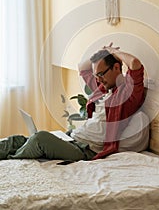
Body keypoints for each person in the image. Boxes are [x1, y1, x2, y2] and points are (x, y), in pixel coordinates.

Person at [0, 43, 148, 161]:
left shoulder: (127, 94)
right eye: (96, 75)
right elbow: (82, 67)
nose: (98, 80)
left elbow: (135, 63)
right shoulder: (102, 87)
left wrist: (112, 52)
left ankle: (11, 160)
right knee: (16, 140)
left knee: (40, 139)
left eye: (101, 74)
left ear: (116, 67)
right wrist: (102, 52)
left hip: (85, 150)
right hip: (73, 137)